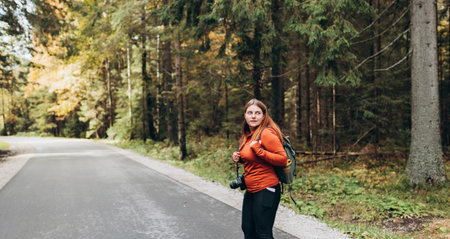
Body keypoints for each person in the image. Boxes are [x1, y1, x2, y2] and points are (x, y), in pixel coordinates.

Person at [231, 98, 287, 239]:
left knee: (263, 232)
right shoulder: (248, 134)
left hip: (267, 188)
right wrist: (240, 158)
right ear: (245, 115)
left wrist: (259, 151)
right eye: (250, 112)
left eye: (257, 113)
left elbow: (282, 159)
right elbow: (254, 160)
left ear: (264, 116)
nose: (253, 116)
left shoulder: (267, 133)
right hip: (251, 189)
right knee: (248, 229)